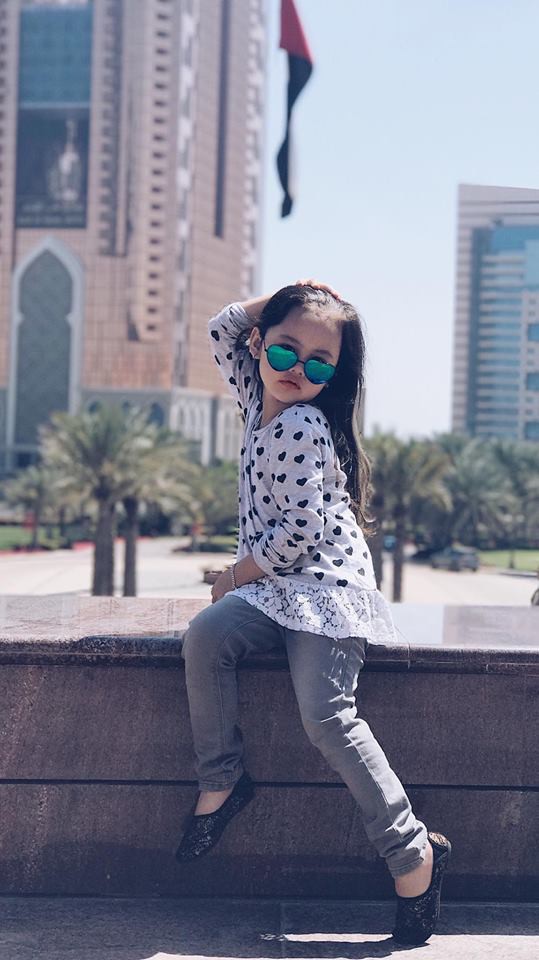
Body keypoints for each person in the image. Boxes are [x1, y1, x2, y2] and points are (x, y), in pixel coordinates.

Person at [177, 281, 451, 945]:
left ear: (333, 376)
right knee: (206, 637)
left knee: (327, 715)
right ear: (259, 346)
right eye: (284, 350)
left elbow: (301, 532)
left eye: (319, 363)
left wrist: (233, 575)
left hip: (326, 588)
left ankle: (412, 852)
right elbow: (219, 326)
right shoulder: (255, 398)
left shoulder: (302, 424)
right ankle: (222, 781)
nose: (297, 370)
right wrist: (290, 291)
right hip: (275, 588)